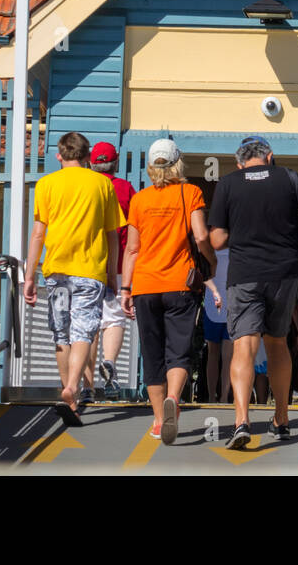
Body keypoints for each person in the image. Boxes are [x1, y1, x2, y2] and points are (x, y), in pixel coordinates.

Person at [208, 135, 298, 449]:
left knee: (244, 346)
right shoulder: (288, 177)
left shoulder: (227, 183)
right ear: (270, 156)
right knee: (277, 344)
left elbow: (217, 240)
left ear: (239, 162)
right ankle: (281, 418)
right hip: (284, 274)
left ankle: (241, 421)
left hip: (245, 275)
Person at [23, 131, 126, 425]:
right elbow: (112, 236)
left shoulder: (46, 184)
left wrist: (30, 276)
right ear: (87, 157)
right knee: (84, 331)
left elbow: (38, 233)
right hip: (90, 270)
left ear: (59, 155)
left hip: (56, 271)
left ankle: (67, 391)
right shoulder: (101, 184)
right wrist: (112, 275)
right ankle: (73, 389)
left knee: (61, 333)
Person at [120, 138, 216, 444]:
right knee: (179, 349)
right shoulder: (191, 193)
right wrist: (211, 262)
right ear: (178, 164)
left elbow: (132, 250)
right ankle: (174, 396)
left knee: (152, 354)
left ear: (151, 167)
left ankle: (160, 421)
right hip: (180, 285)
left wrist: (125, 288)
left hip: (145, 286)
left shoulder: (139, 200)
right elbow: (200, 236)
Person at [86, 141, 135, 398]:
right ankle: (110, 364)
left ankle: (86, 385)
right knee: (114, 320)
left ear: (91, 163)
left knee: (88, 325)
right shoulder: (126, 189)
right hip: (118, 266)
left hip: (86, 265)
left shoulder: (86, 187)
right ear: (115, 163)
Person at [203, 246, 233, 403]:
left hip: (230, 306)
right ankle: (212, 396)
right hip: (212, 305)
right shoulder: (209, 246)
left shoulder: (233, 245)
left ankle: (223, 397)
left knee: (225, 356)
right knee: (213, 353)